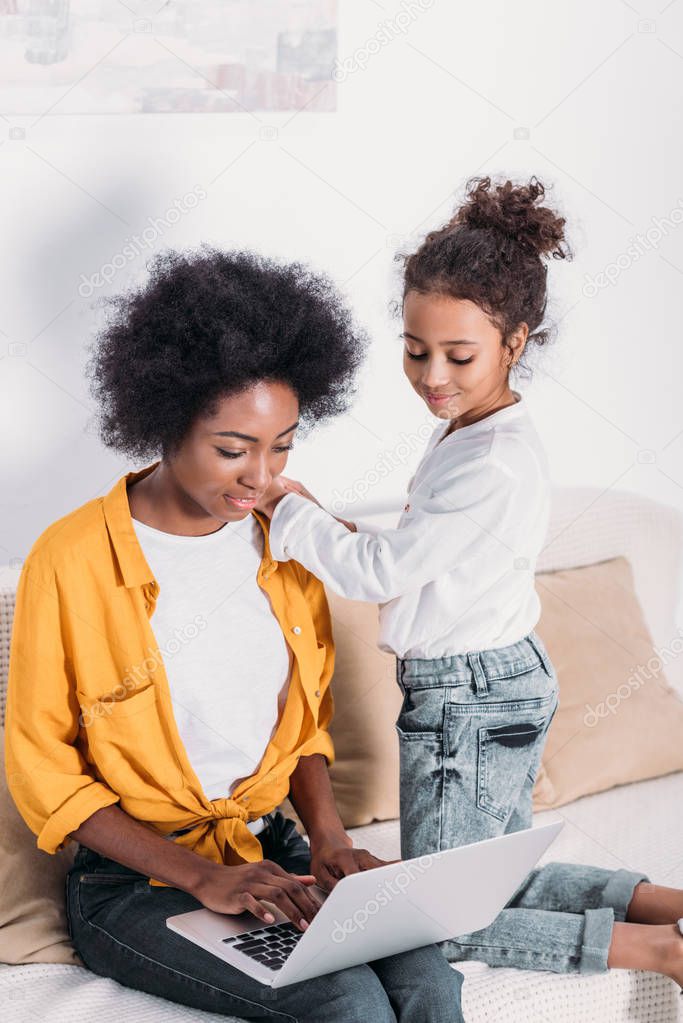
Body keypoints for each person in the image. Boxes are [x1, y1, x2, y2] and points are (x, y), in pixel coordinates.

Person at [5, 247, 465, 1023]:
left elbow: (303, 727)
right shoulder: (72, 557)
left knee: (427, 979)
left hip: (272, 850)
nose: (261, 475)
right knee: (343, 1002)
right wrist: (201, 876)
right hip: (134, 884)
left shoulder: (285, 535)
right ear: (164, 420)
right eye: (232, 448)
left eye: (281, 443)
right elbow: (47, 774)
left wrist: (327, 837)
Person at [257, 177, 683, 989]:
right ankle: (663, 905)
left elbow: (375, 571)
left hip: (467, 698)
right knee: (483, 883)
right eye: (415, 349)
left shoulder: (487, 460)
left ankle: (659, 951)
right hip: (492, 682)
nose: (431, 374)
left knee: (439, 921)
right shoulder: (477, 433)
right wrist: (318, 515)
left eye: (459, 355)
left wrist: (286, 508)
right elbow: (419, 555)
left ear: (514, 342)